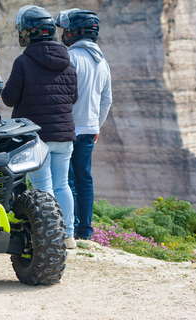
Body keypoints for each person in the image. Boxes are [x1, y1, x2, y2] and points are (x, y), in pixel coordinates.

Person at [2, 5, 78, 249]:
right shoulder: (68, 61)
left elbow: (9, 99)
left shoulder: (23, 61)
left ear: (29, 33)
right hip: (65, 133)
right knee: (62, 184)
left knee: (42, 186)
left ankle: (50, 239)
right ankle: (68, 235)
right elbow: (73, 97)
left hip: (37, 136)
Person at [55, 9, 112, 240]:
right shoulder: (102, 62)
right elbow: (107, 100)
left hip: (68, 128)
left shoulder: (70, 57)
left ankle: (66, 229)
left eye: (67, 29)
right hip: (89, 129)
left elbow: (61, 93)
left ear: (75, 33)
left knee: (65, 180)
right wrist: (97, 125)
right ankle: (85, 231)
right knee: (84, 179)